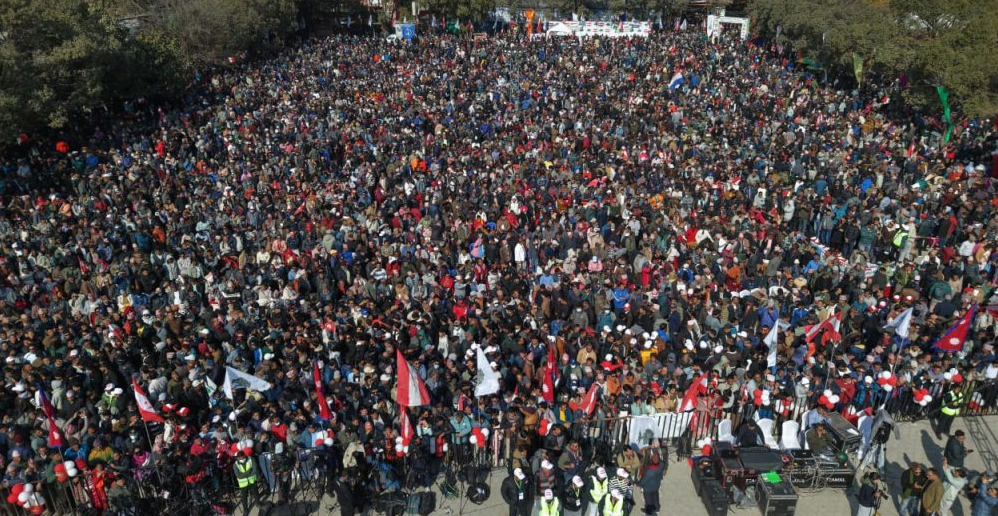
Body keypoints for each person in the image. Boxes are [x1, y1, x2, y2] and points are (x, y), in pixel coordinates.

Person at [636, 443, 666, 516]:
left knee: (648, 501)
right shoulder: (661, 464)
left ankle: (649, 512)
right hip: (656, 485)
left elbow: (643, 481)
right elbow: (658, 458)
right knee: (655, 497)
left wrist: (638, 483)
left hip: (648, 489)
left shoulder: (650, 471)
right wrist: (653, 448)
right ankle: (657, 508)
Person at [233, 449, 259, 514]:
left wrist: (244, 474)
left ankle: (258, 503)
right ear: (237, 458)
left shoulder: (251, 459)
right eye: (240, 458)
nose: (242, 459)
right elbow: (239, 476)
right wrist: (249, 471)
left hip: (252, 481)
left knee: (256, 493)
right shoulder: (235, 465)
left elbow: (255, 470)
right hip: (243, 485)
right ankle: (245, 510)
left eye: (242, 458)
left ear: (244, 455)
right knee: (244, 498)